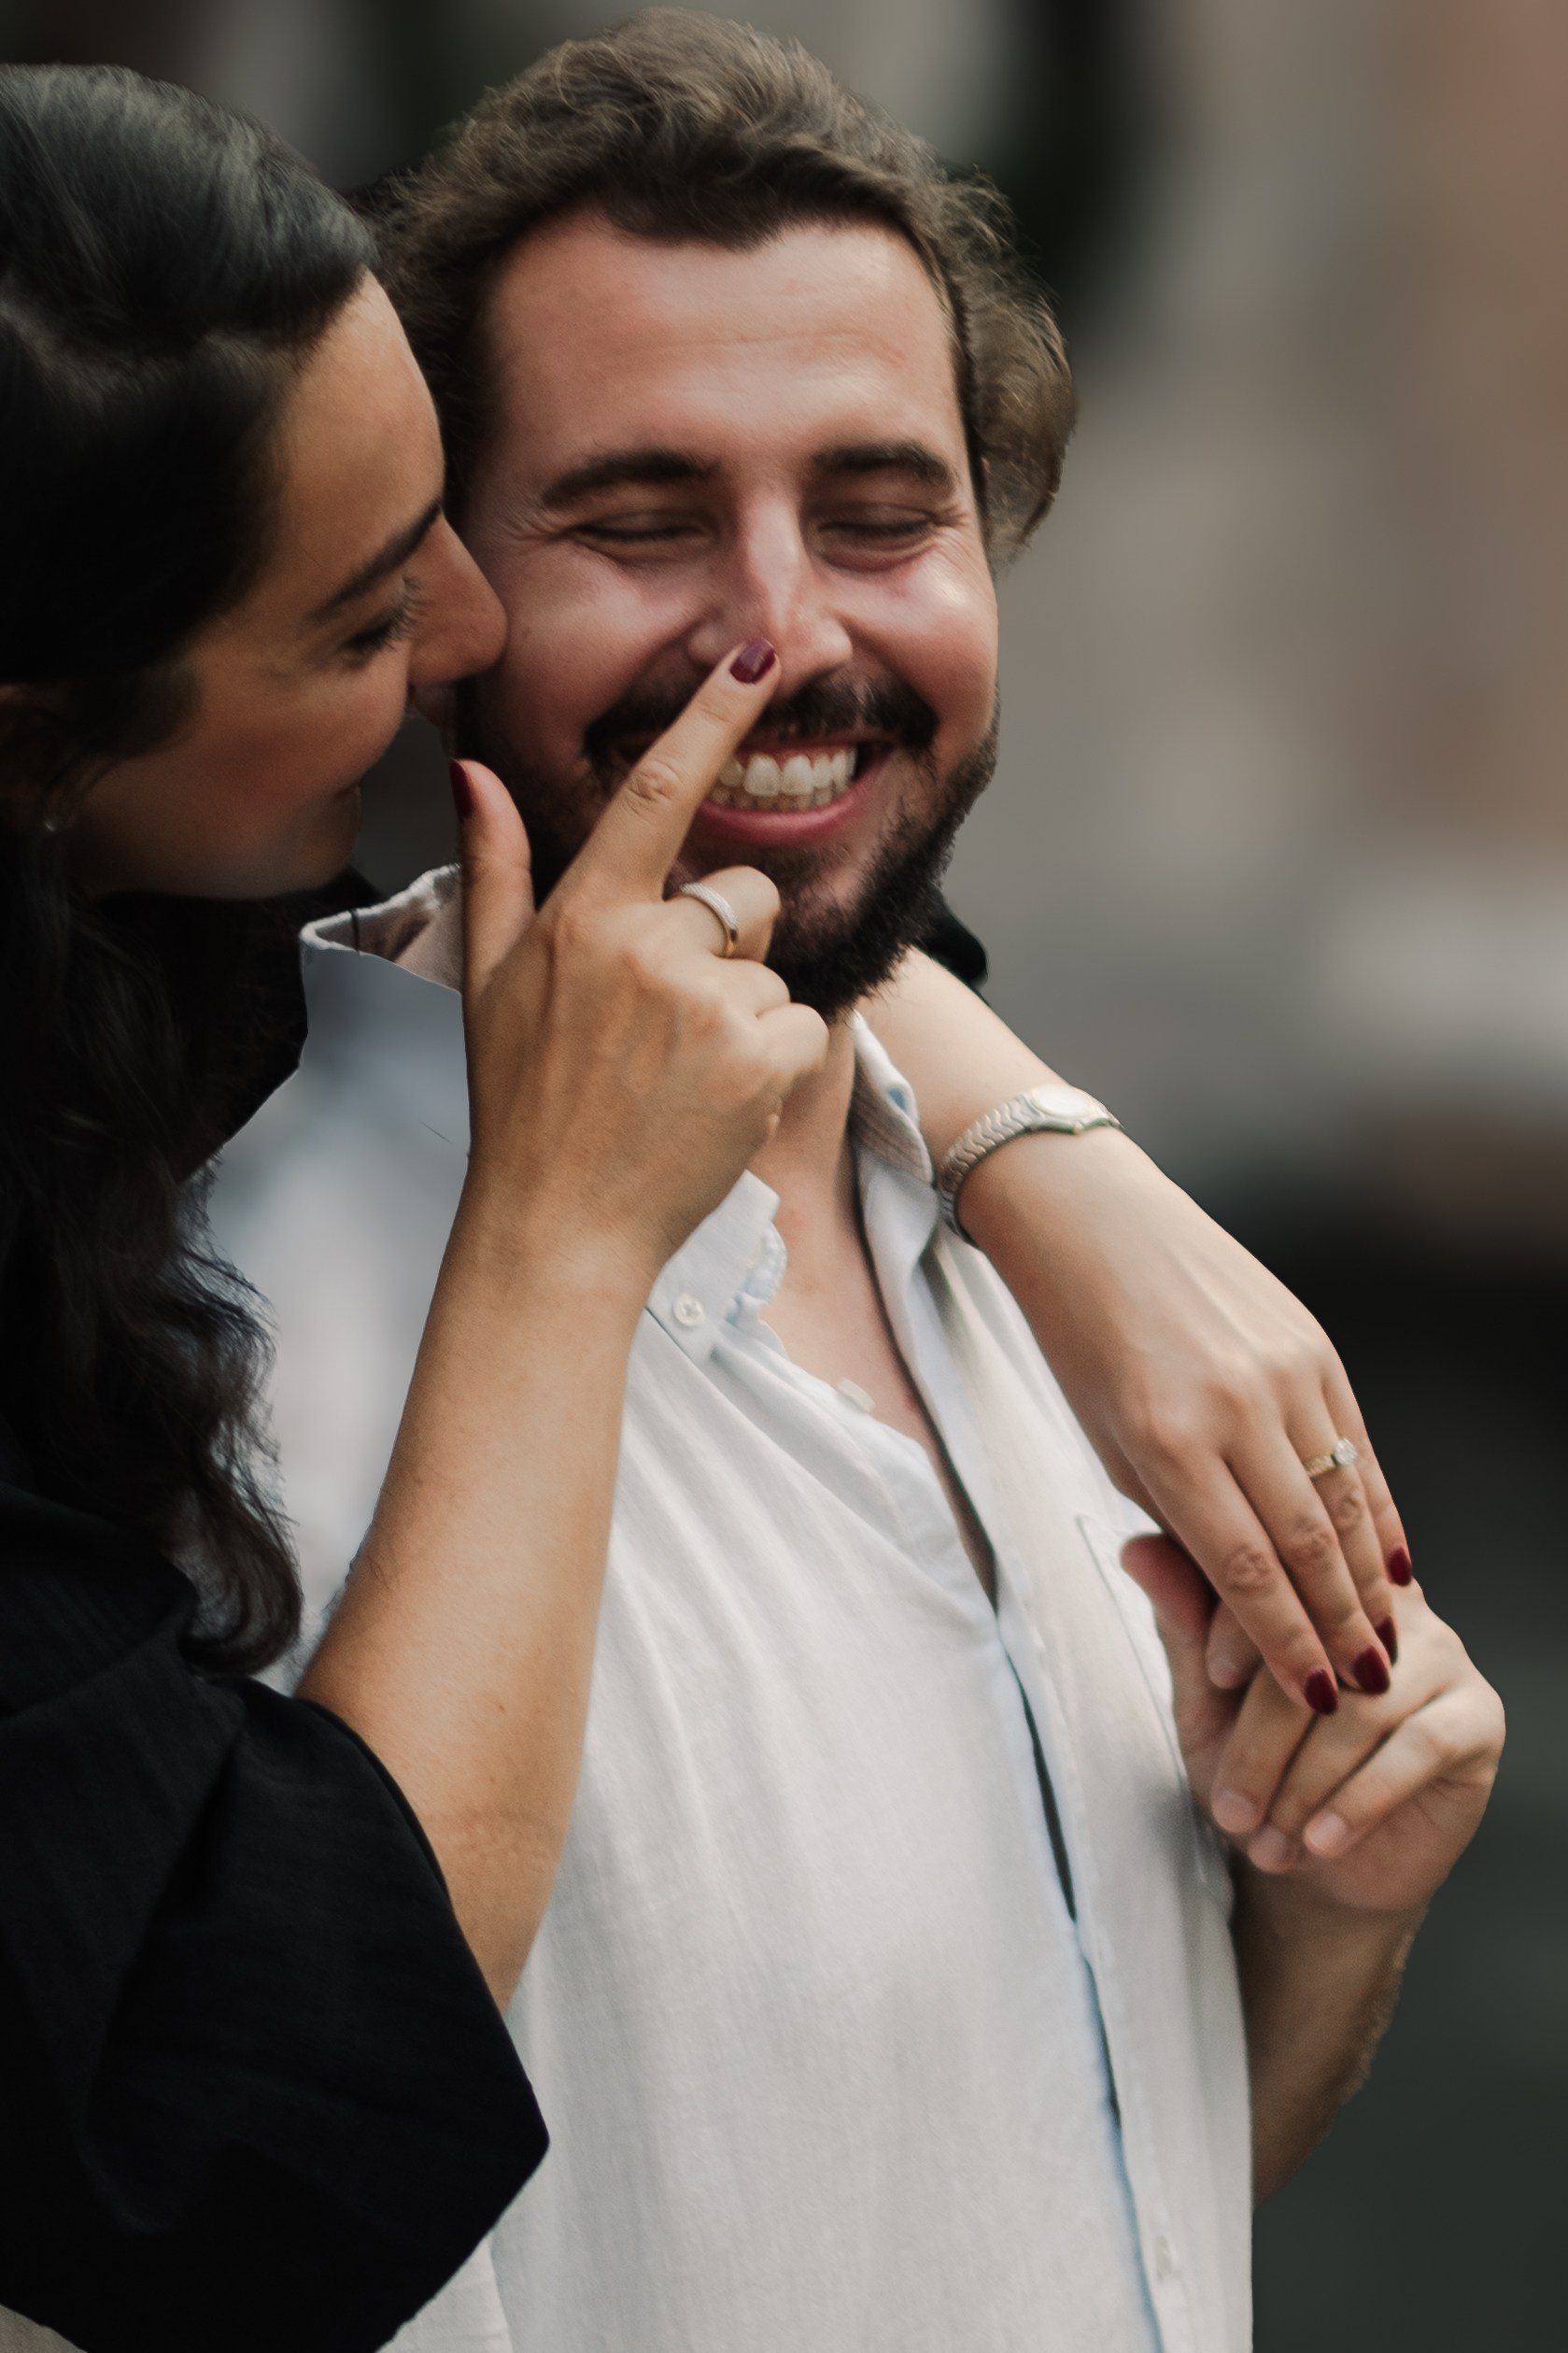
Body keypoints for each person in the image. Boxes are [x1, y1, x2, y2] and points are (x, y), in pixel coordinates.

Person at [209, 17, 1504, 2352]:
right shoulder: (191, 1327)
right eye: (640, 518)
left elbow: (1067, 2187)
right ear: (436, 607)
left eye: (884, 515)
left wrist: (1333, 1907)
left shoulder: (1052, 1276)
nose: (786, 631)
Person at [0, 63, 829, 2352]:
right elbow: (227, 2156)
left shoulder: (120, 878)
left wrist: (1047, 1153)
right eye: (364, 622)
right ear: (32, 748)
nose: (468, 625)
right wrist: (557, 1243)